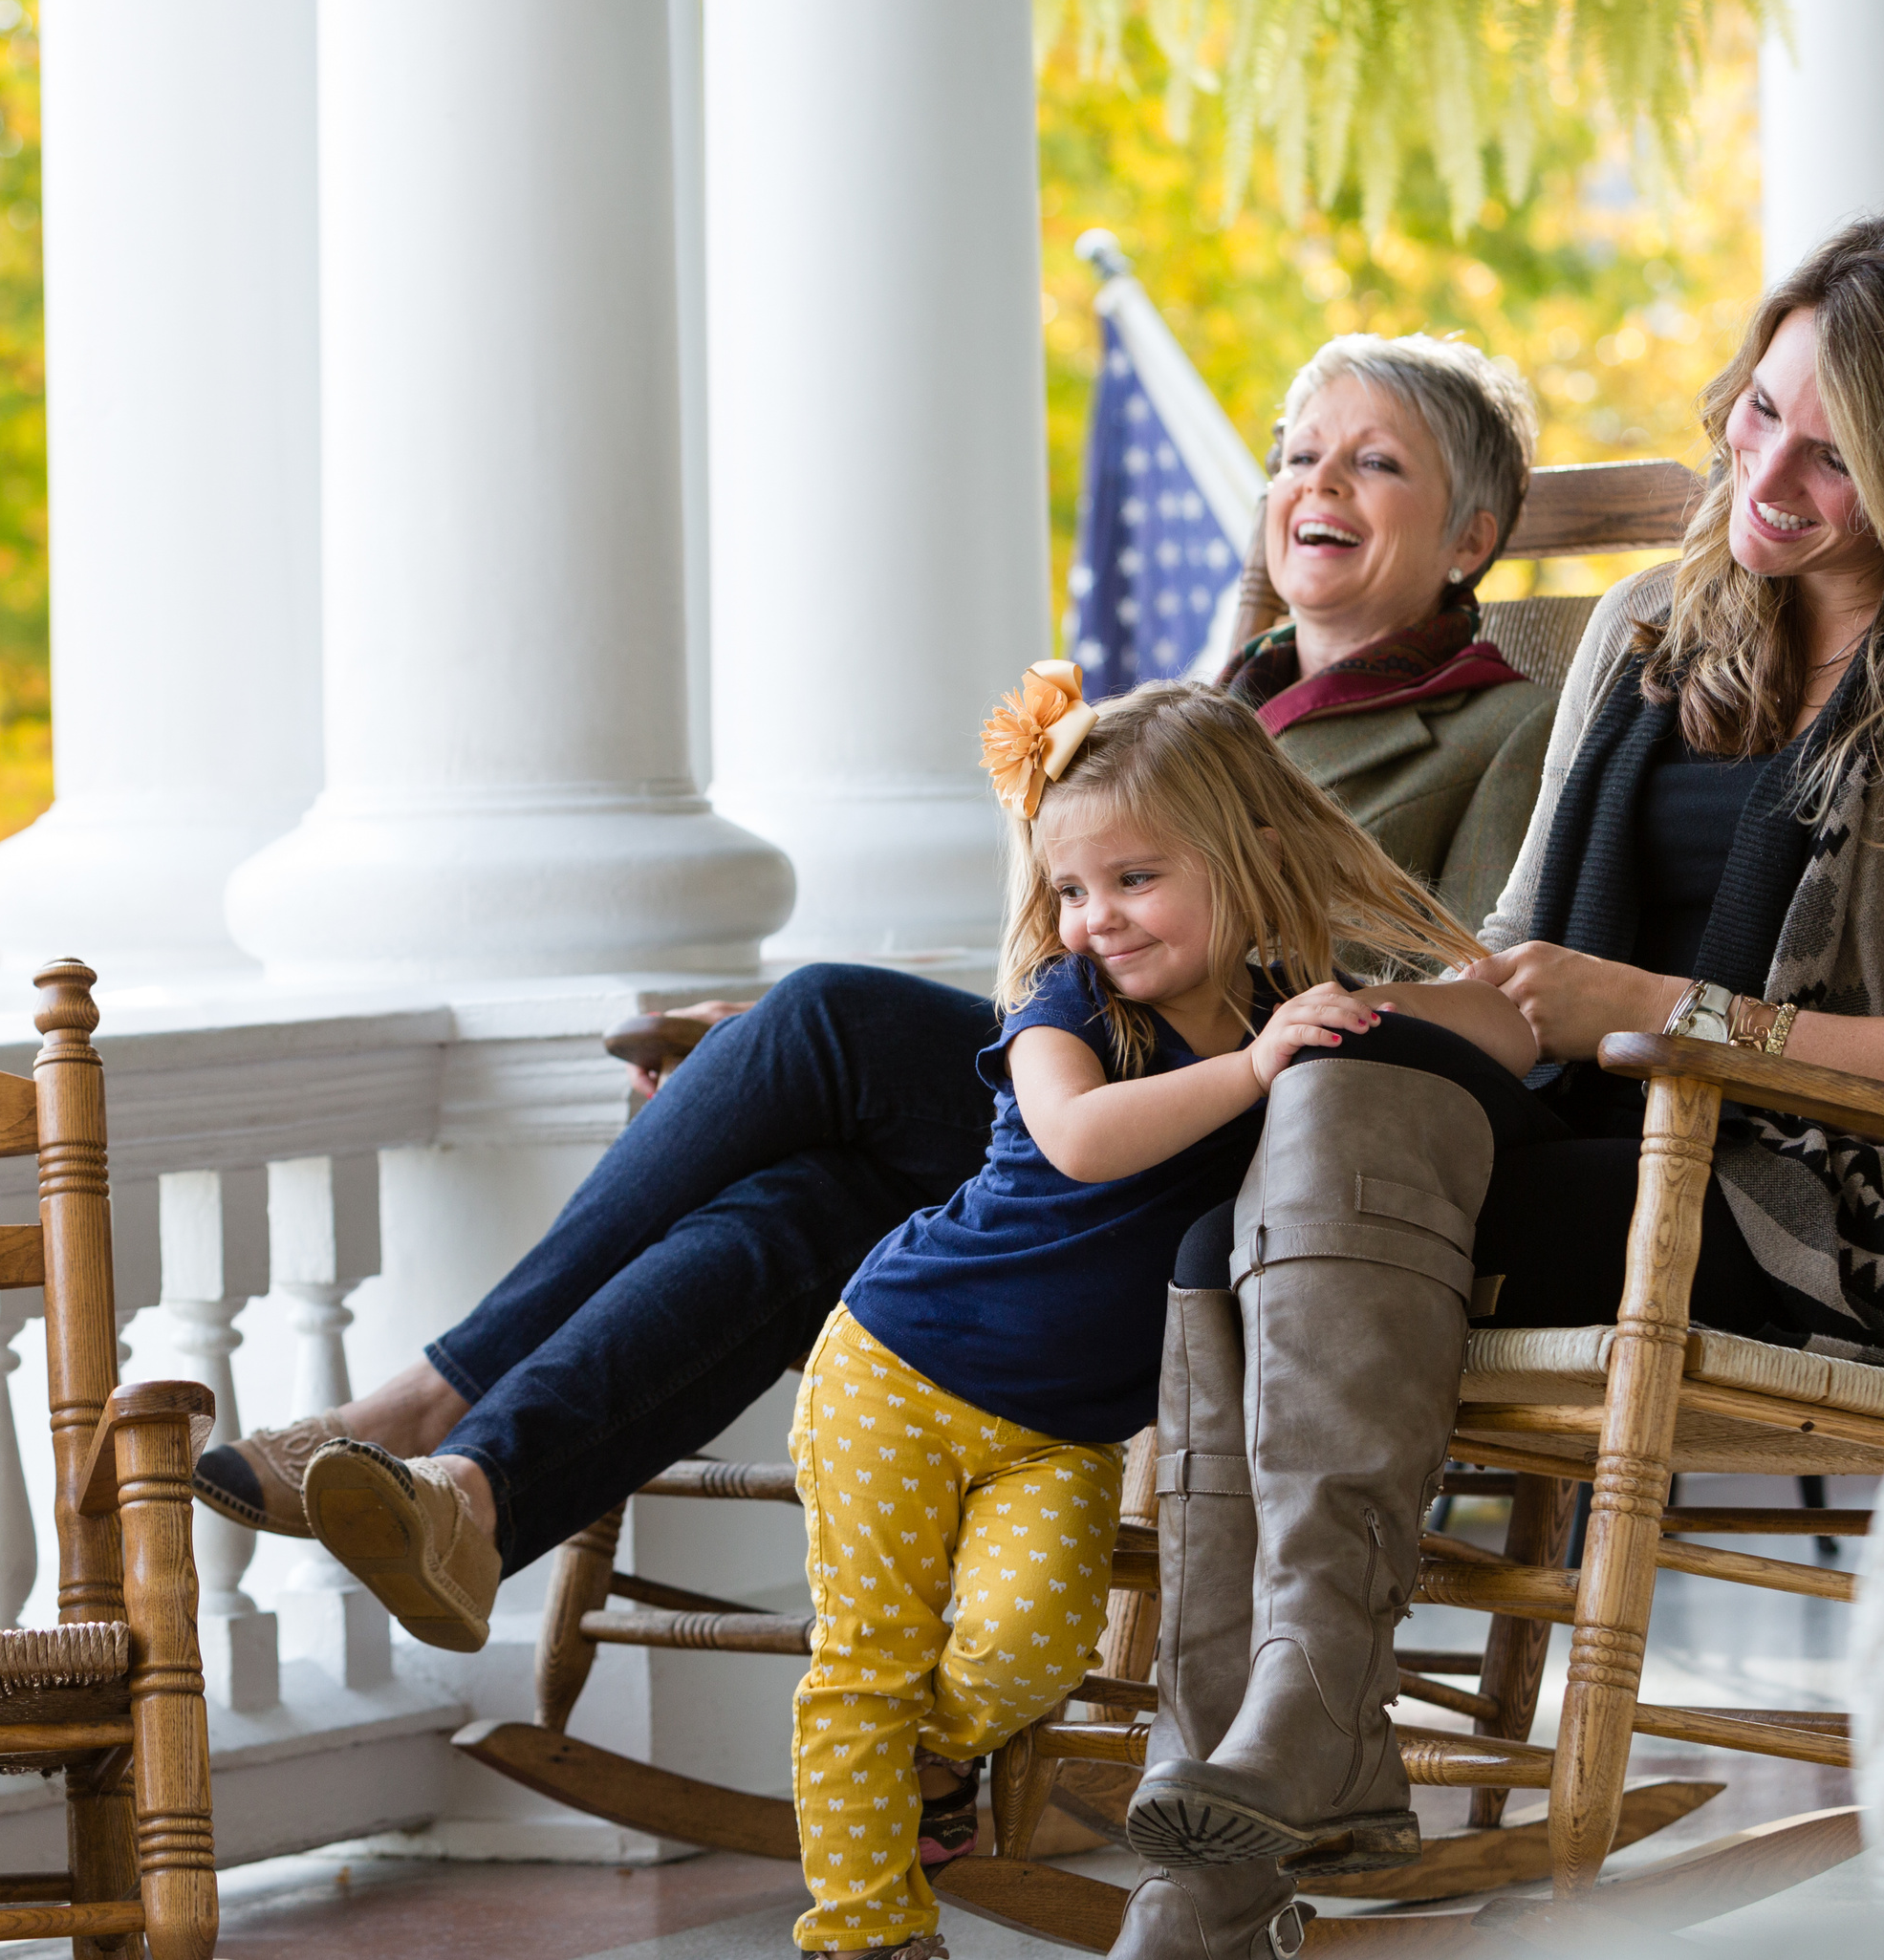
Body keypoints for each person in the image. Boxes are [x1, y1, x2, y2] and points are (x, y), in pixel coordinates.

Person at [1114, 207, 1884, 1959]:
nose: (1770, 474)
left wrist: (1666, 1010)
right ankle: (1293, 1733)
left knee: (1279, 1198)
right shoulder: (1646, 627)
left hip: (1855, 1198)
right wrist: (1319, 1030)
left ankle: (1233, 1836)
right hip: (1595, 1155)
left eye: (1839, 455)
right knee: (1314, 1108)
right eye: (1761, 413)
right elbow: (1525, 950)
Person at [188, 334, 1555, 1654]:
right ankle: (472, 1497)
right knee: (791, 1209)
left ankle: (430, 1397)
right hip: (1108, 1116)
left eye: (1374, 465)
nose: (1317, 483)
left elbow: (1475, 982)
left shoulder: (1505, 724)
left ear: (1472, 538)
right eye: (1299, 452)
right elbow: (1081, 945)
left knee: (826, 1018)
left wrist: (1289, 1014)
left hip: (1249, 1156)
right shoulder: (1214, 700)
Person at [739, 671, 1525, 1960]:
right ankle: (866, 1927)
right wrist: (1260, 1061)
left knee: (1029, 1645)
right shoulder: (1070, 1007)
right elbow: (1084, 1139)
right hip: (902, 1368)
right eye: (1072, 887)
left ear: (1250, 858)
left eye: (1135, 878)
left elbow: (1497, 1019)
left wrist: (1356, 1016)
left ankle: (933, 1761)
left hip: (1062, 1433)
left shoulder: (1285, 990)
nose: (1097, 916)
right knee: (869, 1658)